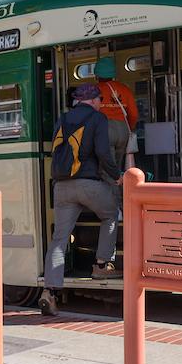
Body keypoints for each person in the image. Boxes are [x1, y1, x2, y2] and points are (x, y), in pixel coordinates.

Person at [38, 84, 121, 315]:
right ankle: (102, 265)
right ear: (93, 100)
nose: (101, 102)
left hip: (61, 187)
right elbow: (103, 152)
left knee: (59, 240)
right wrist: (117, 177)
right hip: (88, 184)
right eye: (100, 98)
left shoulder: (63, 118)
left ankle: (50, 291)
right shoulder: (98, 118)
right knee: (110, 215)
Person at [95, 57, 138, 172]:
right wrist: (130, 128)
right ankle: (119, 188)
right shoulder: (125, 89)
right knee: (118, 167)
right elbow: (133, 114)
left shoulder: (94, 90)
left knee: (106, 168)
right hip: (123, 130)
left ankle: (110, 189)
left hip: (104, 129)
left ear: (96, 74)